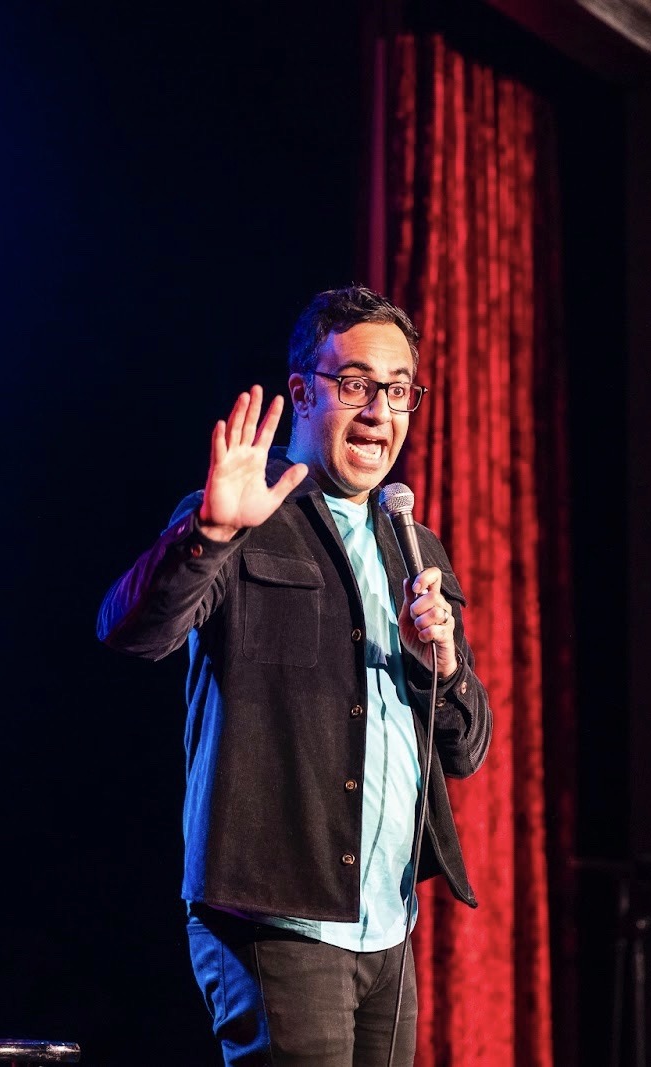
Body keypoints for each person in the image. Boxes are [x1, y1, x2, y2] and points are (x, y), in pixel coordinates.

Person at [97, 286, 493, 1066]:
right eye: (355, 384)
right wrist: (211, 531)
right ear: (303, 393)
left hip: (387, 925)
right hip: (274, 917)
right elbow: (132, 631)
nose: (379, 411)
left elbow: (466, 748)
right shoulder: (243, 516)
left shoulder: (415, 545)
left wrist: (446, 666)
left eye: (399, 390)